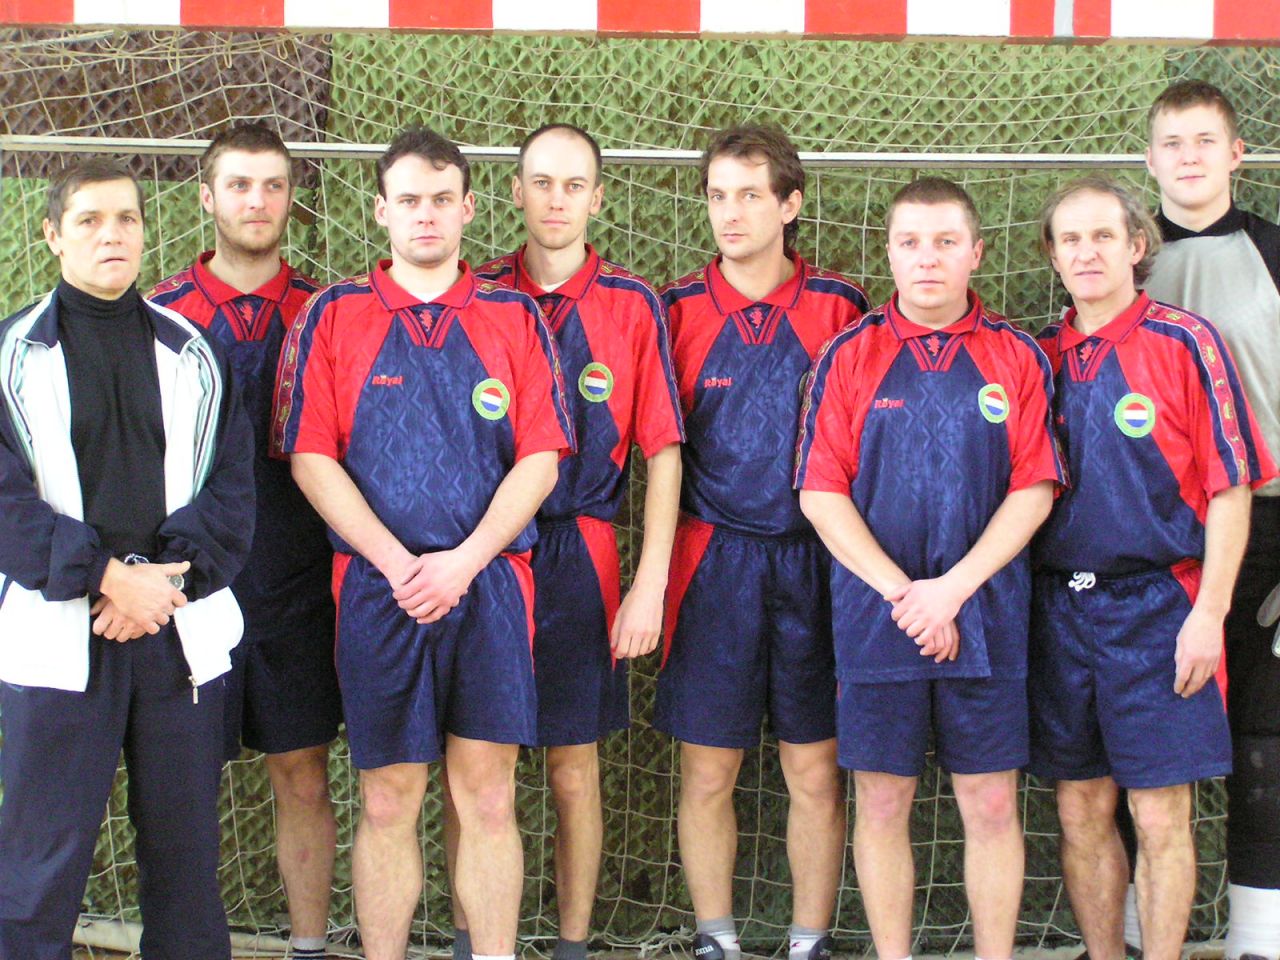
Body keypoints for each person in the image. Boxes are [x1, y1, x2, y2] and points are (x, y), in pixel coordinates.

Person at [273, 126, 574, 960]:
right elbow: (310, 456)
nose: (426, 215)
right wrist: (398, 562)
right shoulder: (335, 315)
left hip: (491, 585)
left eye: (442, 199)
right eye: (409, 200)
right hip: (380, 590)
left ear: (470, 208)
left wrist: (464, 561)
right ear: (381, 211)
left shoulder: (515, 316)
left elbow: (542, 458)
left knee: (488, 799)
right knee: (387, 800)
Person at [795, 177, 1061, 960]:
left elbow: (1036, 488)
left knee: (991, 803)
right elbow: (819, 493)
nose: (928, 259)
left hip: (989, 615)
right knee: (881, 805)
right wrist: (905, 596)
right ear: (888, 253)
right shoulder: (849, 354)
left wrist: (953, 591)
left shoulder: (1016, 355)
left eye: (946, 242)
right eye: (910, 242)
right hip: (878, 621)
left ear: (976, 252)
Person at [0, 158, 254, 959]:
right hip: (57, 640)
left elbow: (231, 494)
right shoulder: (11, 355)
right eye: (89, 220)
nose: (110, 234)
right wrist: (106, 577)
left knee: (186, 873)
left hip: (175, 637)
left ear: (145, 232)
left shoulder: (196, 354)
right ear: (52, 235)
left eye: (126, 219)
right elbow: (5, 506)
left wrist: (162, 587)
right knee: (39, 871)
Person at [442, 123, 683, 960]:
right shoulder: (475, 292)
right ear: (514, 193)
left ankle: (573, 946)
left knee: (573, 769)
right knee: (476, 770)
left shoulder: (632, 303)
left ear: (598, 197)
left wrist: (650, 582)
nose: (556, 199)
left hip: (582, 553)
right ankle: (475, 942)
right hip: (485, 552)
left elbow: (663, 451)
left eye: (573, 184)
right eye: (541, 182)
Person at [1029, 175, 1276, 960]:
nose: (1087, 252)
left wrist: (1209, 613)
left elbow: (1230, 487)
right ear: (1052, 256)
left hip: (1161, 606)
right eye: (1071, 239)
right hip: (1059, 610)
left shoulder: (1185, 342)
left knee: (1161, 813)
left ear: (1137, 246)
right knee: (1080, 809)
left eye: (1104, 235)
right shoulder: (1035, 356)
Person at [655, 125, 867, 960]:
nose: (731, 213)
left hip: (818, 563)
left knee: (814, 771)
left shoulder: (841, 308)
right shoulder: (675, 309)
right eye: (717, 196)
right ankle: (716, 940)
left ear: (790, 204)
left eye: (750, 194)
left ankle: (809, 941)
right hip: (714, 566)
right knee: (709, 772)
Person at [147, 121, 341, 960]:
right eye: (238, 184)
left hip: (300, 589)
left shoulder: (329, 311)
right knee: (183, 787)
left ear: (292, 198)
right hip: (188, 591)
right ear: (206, 197)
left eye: (272, 185)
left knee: (302, 773)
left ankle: (307, 947)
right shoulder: (158, 317)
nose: (256, 201)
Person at [1142, 79, 1280, 960]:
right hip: (1148, 538)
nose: (1188, 156)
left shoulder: (1273, 251)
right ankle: (1132, 937)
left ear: (1236, 154)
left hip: (1265, 529)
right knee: (1142, 747)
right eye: (1172, 142)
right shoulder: (1119, 257)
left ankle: (1259, 940)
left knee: (1263, 741)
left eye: (1205, 141)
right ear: (1149, 159)